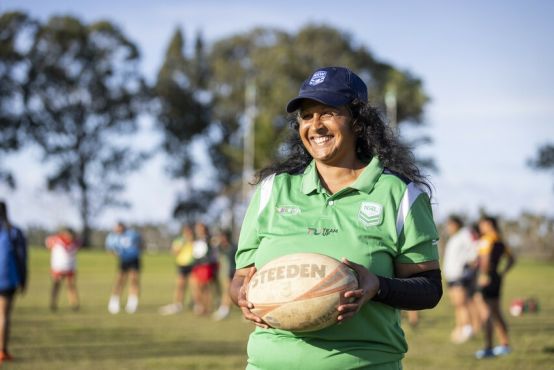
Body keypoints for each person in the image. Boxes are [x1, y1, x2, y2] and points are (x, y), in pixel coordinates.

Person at [230, 66, 443, 369]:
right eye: (306, 115)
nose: (315, 125)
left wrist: (378, 287)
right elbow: (240, 278)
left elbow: (429, 288)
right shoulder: (272, 191)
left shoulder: (399, 195)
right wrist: (242, 296)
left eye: (328, 112)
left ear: (358, 121)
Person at [474, 215, 515, 359]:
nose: (480, 227)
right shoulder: (500, 239)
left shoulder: (486, 240)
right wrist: (502, 273)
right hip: (496, 277)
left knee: (486, 313)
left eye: (482, 224)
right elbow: (512, 259)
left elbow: (484, 260)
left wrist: (484, 275)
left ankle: (488, 348)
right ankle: (505, 345)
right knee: (497, 312)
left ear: (488, 224)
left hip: (487, 279)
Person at [442, 215, 479, 343]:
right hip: (451, 276)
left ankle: (467, 329)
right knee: (457, 305)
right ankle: (460, 327)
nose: (448, 228)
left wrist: (469, 264)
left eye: (449, 225)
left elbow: (475, 249)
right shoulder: (454, 238)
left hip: (461, 275)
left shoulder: (466, 234)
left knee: (462, 304)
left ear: (456, 223)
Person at [0, 200, 27, 363]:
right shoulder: (14, 231)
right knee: (3, 315)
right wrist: (23, 279)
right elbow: (21, 257)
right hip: (6, 278)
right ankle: (2, 350)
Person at [105, 222, 143, 314]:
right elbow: (109, 249)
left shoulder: (132, 234)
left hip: (134, 259)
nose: (117, 230)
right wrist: (115, 254)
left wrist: (138, 249)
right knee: (120, 280)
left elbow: (140, 242)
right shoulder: (112, 237)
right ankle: (114, 301)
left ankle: (132, 303)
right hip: (123, 260)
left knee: (134, 280)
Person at [159, 224, 195, 315]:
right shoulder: (179, 240)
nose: (188, 233)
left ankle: (195, 303)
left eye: (189, 231)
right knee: (180, 286)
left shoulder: (195, 241)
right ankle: (178, 304)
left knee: (194, 286)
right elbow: (173, 252)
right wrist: (181, 245)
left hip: (193, 265)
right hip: (182, 264)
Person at [45, 227, 80, 311]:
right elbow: (48, 244)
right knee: (56, 285)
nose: (70, 237)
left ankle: (74, 304)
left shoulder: (75, 242)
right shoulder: (56, 240)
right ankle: (53, 303)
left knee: (71, 286)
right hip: (58, 267)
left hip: (70, 268)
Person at [190, 222, 218, 315]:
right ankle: (200, 305)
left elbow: (213, 253)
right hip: (196, 265)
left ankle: (207, 307)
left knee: (205, 287)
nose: (198, 230)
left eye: (201, 228)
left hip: (205, 265)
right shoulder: (196, 239)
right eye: (197, 228)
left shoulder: (209, 239)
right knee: (195, 286)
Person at [211, 229, 237, 321]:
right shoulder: (221, 247)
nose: (221, 238)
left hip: (234, 272)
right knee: (227, 291)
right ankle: (224, 308)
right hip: (225, 273)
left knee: (228, 291)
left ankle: (224, 309)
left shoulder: (233, 247)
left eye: (223, 236)